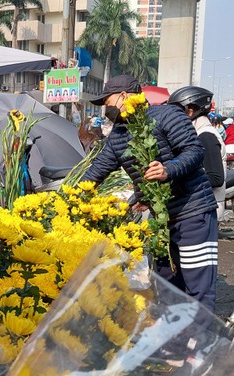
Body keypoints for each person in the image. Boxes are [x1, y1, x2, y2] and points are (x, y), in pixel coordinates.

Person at [82, 75, 218, 311]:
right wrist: (68, 198)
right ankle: (174, 341)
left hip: (193, 212)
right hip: (161, 221)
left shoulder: (167, 116)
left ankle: (199, 346)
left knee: (198, 289)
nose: (105, 108)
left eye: (108, 101)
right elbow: (97, 170)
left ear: (124, 96)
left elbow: (194, 151)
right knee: (166, 286)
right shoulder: (118, 134)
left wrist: (168, 170)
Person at [168, 86, 226, 221]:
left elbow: (216, 178)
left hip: (204, 210)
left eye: (177, 111)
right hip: (198, 207)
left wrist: (177, 181)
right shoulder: (196, 134)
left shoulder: (206, 136)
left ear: (190, 111)